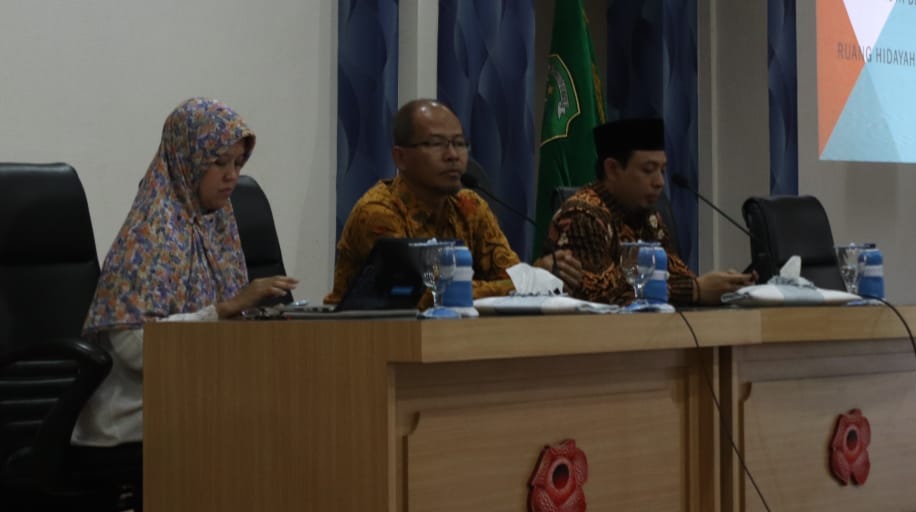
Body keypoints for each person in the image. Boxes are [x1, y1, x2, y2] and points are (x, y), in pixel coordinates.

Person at [73, 98, 298, 446]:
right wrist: (223, 310)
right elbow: (134, 349)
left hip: (198, 400)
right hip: (134, 422)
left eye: (238, 162)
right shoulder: (149, 232)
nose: (232, 175)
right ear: (186, 160)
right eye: (219, 162)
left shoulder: (217, 224)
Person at [324, 99, 582, 303]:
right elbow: (423, 297)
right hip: (363, 340)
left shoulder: (469, 205)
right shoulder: (379, 213)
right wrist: (527, 280)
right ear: (400, 158)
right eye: (436, 144)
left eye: (459, 144)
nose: (453, 155)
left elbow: (506, 273)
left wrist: (536, 277)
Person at [544, 117, 754, 306]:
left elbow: (676, 275)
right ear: (612, 169)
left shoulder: (648, 216)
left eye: (662, 170)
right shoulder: (582, 216)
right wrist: (695, 290)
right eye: (648, 170)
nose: (660, 182)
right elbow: (601, 295)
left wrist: (723, 284)